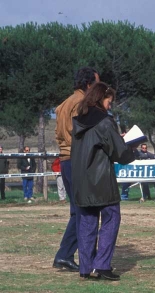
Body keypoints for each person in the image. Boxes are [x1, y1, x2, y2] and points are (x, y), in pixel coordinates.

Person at [71, 82, 135, 280]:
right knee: (111, 219)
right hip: (101, 181)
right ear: (101, 99)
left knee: (87, 224)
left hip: (81, 181)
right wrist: (130, 147)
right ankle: (102, 266)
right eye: (109, 101)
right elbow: (119, 152)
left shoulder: (78, 121)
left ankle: (85, 268)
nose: (110, 106)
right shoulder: (105, 122)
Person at [52, 67, 100, 272]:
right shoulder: (81, 104)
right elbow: (79, 133)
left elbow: (60, 134)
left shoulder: (63, 104)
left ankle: (64, 255)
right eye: (97, 83)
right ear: (88, 84)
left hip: (65, 159)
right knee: (85, 210)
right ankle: (87, 255)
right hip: (77, 159)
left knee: (77, 211)